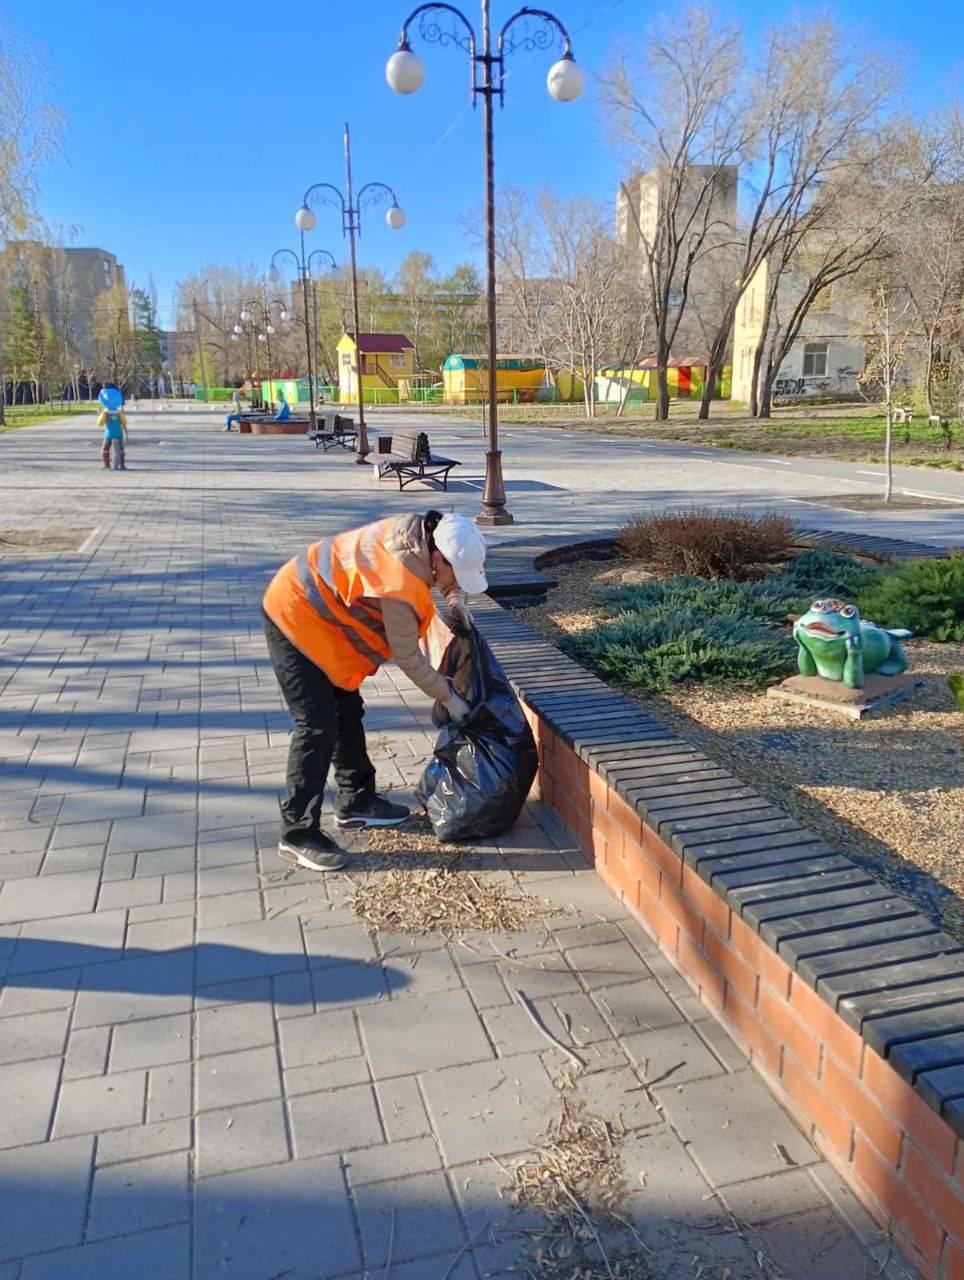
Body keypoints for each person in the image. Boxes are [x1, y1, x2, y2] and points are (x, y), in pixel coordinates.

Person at [262, 510, 486, 871]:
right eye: (453, 575)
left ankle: (356, 802)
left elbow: (445, 572)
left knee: (346, 709)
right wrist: (450, 697)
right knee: (316, 726)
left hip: (322, 619)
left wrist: (454, 600)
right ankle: (297, 834)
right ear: (437, 558)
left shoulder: (423, 534)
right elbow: (410, 660)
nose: (453, 581)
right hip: (293, 615)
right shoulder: (399, 582)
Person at [98, 386, 128, 470]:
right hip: (118, 433)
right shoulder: (119, 412)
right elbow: (124, 422)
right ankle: (122, 464)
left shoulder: (105, 413)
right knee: (120, 449)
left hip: (108, 433)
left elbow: (100, 423)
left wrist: (103, 415)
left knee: (105, 448)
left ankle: (106, 464)